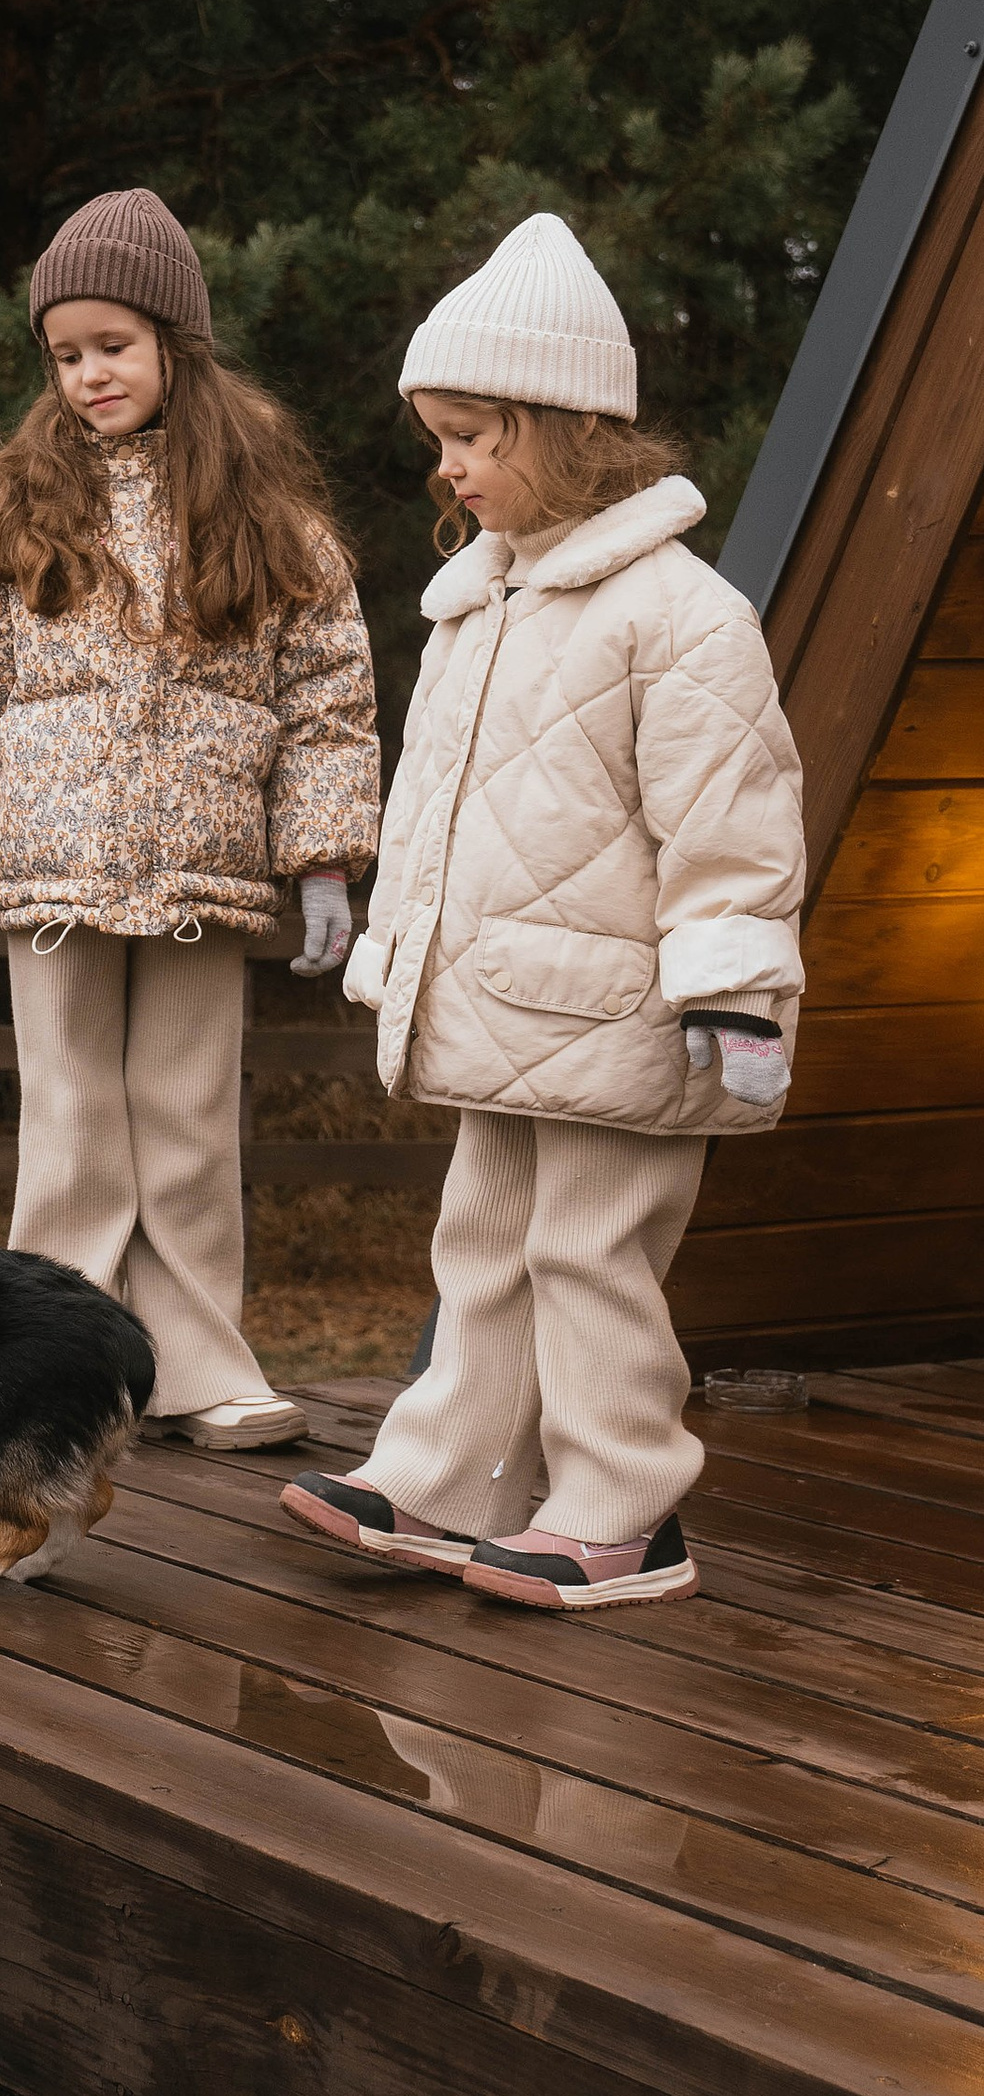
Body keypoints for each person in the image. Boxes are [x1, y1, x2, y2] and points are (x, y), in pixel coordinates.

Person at [282, 212, 806, 1609]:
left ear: (571, 430)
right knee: (484, 1241)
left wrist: (738, 992)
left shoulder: (681, 617)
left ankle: (625, 1510)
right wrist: (401, 955)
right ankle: (453, 1479)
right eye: (439, 438)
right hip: (506, 1001)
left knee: (593, 1258)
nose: (446, 467)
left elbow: (735, 819)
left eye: (473, 436)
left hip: (628, 1017)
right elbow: (438, 812)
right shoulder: (477, 606)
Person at [0, 186, 381, 1449]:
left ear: (177, 343)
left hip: (202, 874)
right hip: (49, 877)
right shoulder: (12, 515)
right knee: (68, 1124)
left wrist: (321, 859)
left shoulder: (272, 522)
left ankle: (194, 1365)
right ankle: (40, 1368)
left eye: (112, 344)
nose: (89, 374)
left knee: (186, 1116)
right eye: (65, 354)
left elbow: (326, 700)